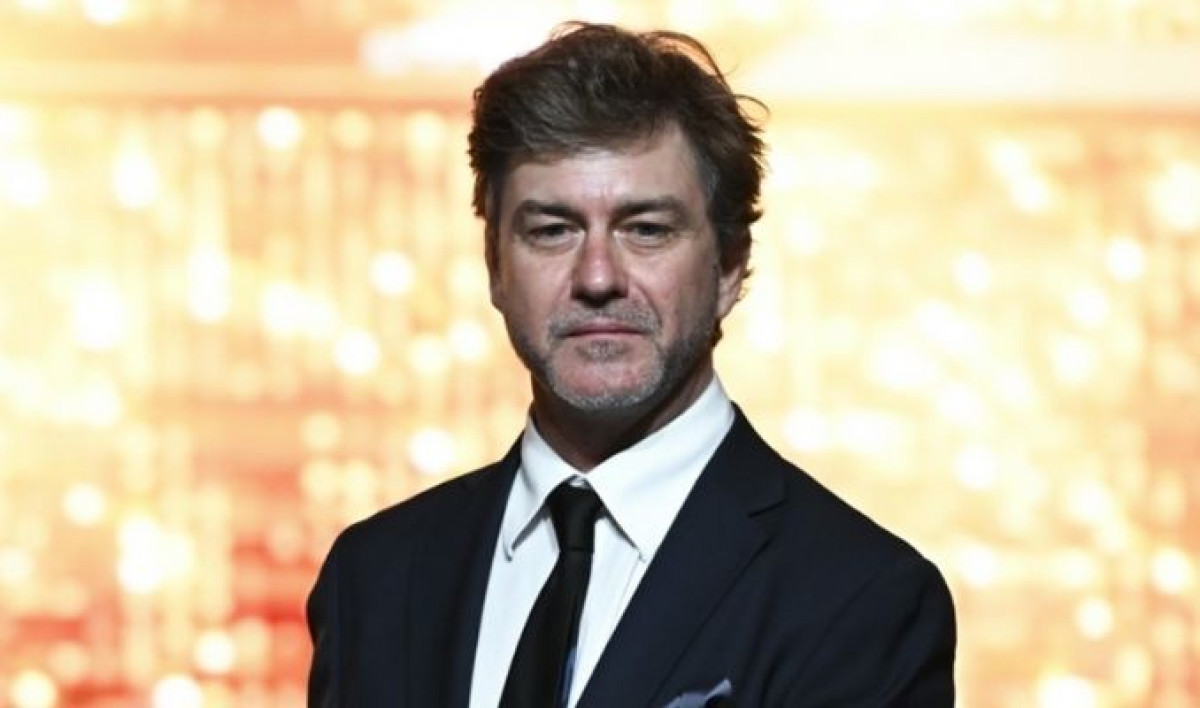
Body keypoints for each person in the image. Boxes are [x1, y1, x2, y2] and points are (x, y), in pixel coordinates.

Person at [307, 21, 956, 707]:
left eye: (646, 230)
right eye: (552, 230)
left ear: (730, 267)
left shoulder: (859, 598)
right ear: (495, 265)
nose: (597, 277)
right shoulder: (374, 578)